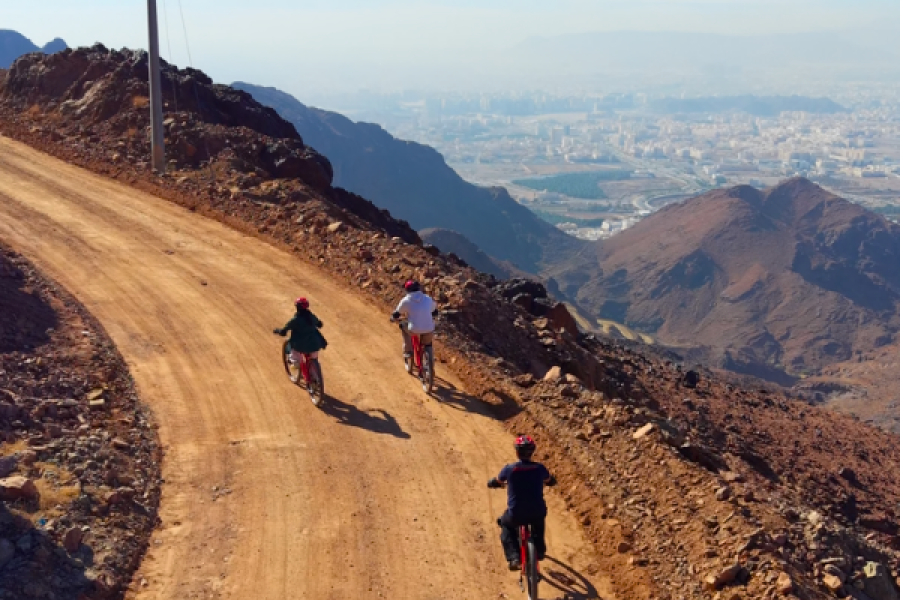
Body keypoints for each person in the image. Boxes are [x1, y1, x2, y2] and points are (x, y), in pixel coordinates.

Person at [488, 435, 557, 571]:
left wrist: (492, 483)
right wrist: (551, 481)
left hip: (516, 513)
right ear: (532, 452)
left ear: (516, 452)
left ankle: (514, 558)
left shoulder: (510, 469)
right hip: (537, 510)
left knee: (505, 524)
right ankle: (540, 550)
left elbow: (498, 481)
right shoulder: (539, 468)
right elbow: (550, 480)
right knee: (539, 521)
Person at [273, 297, 327, 367]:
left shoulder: (295, 320)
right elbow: (319, 324)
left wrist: (278, 331)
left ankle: (295, 363)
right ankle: (316, 370)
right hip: (314, 344)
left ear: (297, 307)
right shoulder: (311, 316)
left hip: (300, 345)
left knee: (292, 348)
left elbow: (284, 331)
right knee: (314, 358)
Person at [390, 280, 437, 358]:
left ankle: (408, 351)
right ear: (418, 288)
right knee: (428, 343)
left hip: (413, 329)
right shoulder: (427, 298)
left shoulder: (405, 300)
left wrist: (393, 318)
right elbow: (435, 312)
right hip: (429, 329)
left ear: (407, 290)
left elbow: (397, 313)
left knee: (403, 325)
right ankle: (430, 359)